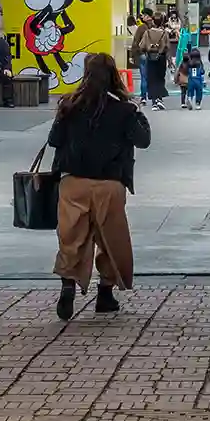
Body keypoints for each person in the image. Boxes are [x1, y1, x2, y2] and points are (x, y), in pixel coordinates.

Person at [49, 51, 151, 320]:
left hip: (73, 183)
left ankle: (68, 285)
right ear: (113, 76)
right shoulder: (123, 109)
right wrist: (136, 111)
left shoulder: (69, 104)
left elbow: (54, 140)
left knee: (72, 237)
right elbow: (143, 140)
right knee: (111, 239)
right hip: (109, 184)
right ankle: (105, 292)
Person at [131, 14, 171, 110]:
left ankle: (154, 102)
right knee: (160, 78)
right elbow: (167, 46)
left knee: (151, 79)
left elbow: (141, 46)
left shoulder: (147, 33)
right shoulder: (164, 33)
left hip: (150, 57)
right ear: (162, 22)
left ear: (153, 21)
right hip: (161, 58)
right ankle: (160, 99)